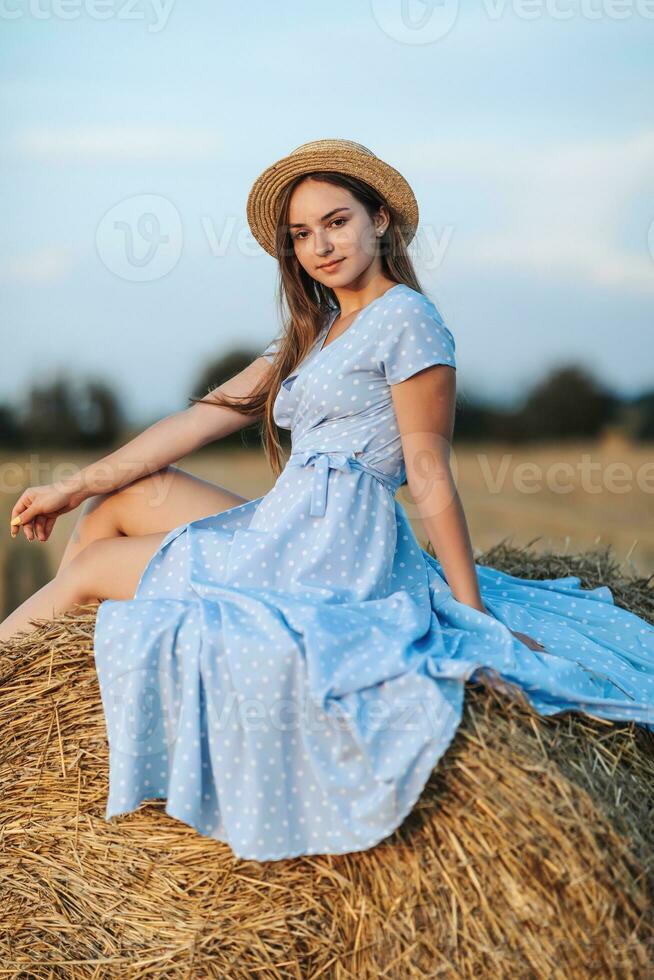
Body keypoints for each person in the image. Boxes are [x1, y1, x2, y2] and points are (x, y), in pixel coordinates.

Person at [3, 138, 653, 862]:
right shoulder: (312, 334)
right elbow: (195, 421)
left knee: (91, 574)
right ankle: (60, 691)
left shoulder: (408, 320)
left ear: (380, 220)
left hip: (336, 540)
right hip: (291, 516)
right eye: (302, 234)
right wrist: (68, 486)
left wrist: (472, 613)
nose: (321, 245)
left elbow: (428, 469)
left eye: (336, 222)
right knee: (116, 504)